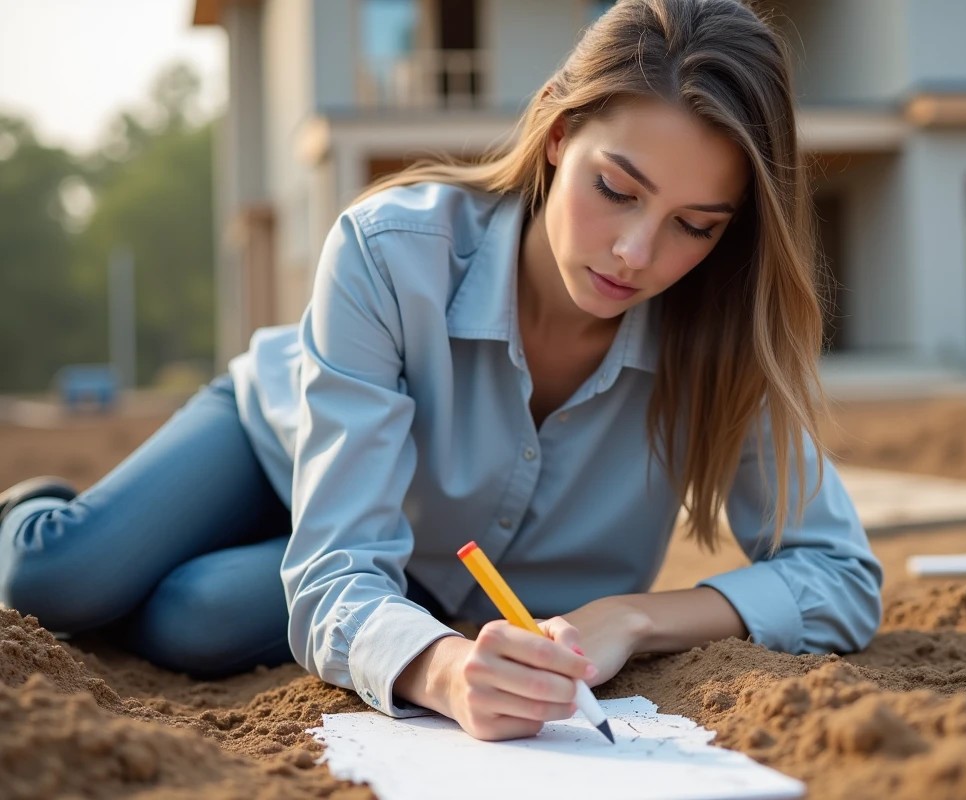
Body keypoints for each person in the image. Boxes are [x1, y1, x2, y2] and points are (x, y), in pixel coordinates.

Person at [0, 0, 882, 742]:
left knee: (195, 617)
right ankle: (33, 509)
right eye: (616, 188)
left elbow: (838, 576)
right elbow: (340, 565)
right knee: (58, 579)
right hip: (279, 433)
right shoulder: (391, 251)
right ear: (557, 135)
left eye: (696, 224)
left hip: (421, 564)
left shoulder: (727, 334)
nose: (636, 252)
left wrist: (633, 616)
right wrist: (443, 668)